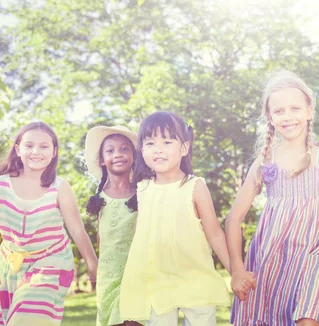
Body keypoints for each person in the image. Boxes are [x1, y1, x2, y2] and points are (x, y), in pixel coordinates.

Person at [226, 70, 319, 326]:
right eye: (279, 111)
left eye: (295, 108)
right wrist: (237, 269)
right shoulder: (264, 162)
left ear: (309, 111)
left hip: (315, 256)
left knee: (308, 319)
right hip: (269, 259)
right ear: (270, 118)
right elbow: (233, 218)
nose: (288, 116)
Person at [120, 111, 230, 326]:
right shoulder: (141, 188)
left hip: (195, 280)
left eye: (167, 141)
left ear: (184, 148)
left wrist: (235, 271)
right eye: (150, 143)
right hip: (156, 285)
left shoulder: (194, 186)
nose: (158, 149)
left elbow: (215, 233)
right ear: (141, 150)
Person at [0, 121, 98, 325]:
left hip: (51, 262)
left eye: (44, 146)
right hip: (9, 264)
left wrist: (93, 265)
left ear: (54, 152)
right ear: (18, 149)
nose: (36, 151)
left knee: (26, 318)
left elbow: (77, 230)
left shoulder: (60, 187)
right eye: (29, 145)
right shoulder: (2, 184)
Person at [84, 125, 140, 326]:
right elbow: (101, 238)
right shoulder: (100, 199)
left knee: (135, 320)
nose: (118, 154)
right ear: (101, 159)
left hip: (137, 271)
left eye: (125, 149)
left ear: (133, 156)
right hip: (109, 274)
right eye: (110, 150)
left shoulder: (142, 193)